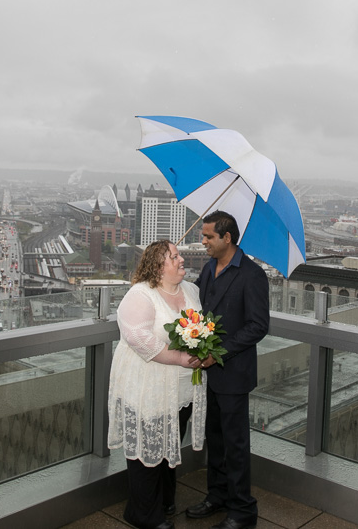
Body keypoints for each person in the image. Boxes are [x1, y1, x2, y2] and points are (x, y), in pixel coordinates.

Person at [108, 239, 206, 529]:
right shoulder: (140, 295)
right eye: (174, 257)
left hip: (181, 389)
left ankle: (164, 501)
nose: (181, 259)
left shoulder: (191, 290)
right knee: (147, 451)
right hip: (147, 386)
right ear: (157, 266)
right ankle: (141, 513)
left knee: (170, 443)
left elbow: (199, 328)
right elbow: (137, 337)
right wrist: (178, 357)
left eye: (178, 255)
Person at [186, 210, 269, 529]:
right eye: (203, 235)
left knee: (235, 445)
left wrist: (216, 353)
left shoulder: (252, 275)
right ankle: (217, 496)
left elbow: (258, 326)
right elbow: (197, 307)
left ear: (227, 238)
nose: (202, 241)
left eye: (208, 236)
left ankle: (242, 511)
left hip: (233, 373)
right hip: (209, 374)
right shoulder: (209, 269)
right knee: (215, 440)